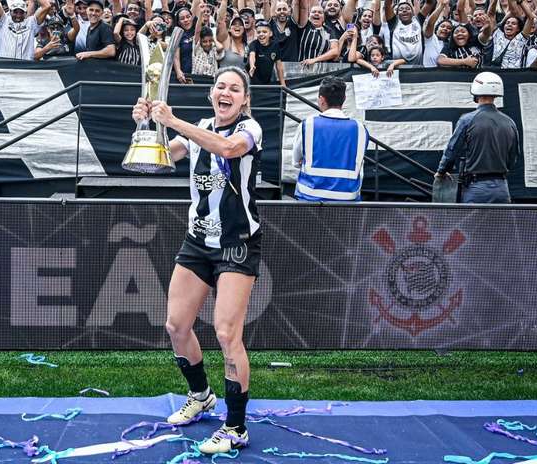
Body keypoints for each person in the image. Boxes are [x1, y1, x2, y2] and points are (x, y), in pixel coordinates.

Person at [131, 66, 262, 455]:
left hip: (237, 244)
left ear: (244, 99)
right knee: (175, 325)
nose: (226, 93)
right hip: (198, 241)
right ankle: (201, 395)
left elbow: (226, 149)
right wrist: (147, 128)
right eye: (220, 86)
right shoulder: (201, 125)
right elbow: (157, 160)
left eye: (234, 89)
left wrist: (172, 120)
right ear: (211, 93)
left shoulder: (250, 129)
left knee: (226, 334)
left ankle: (236, 427)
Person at [435, 72, 519, 204]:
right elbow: (512, 159)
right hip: (502, 188)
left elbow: (452, 150)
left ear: (476, 92)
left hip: (476, 188)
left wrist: (441, 171)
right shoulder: (510, 122)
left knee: (471, 224)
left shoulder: (467, 120)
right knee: (502, 224)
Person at [292, 76, 368, 201]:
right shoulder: (360, 129)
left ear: (321, 99)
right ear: (344, 99)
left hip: (309, 197)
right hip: (348, 199)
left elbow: (296, 161)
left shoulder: (307, 125)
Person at [248, 20, 284, 85]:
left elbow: (279, 65)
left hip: (267, 82)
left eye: (264, 32)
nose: (261, 34)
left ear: (270, 34)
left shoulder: (275, 45)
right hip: (253, 84)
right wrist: (252, 65)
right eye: (259, 32)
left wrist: (283, 84)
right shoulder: (253, 44)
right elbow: (252, 55)